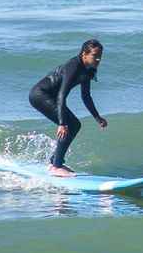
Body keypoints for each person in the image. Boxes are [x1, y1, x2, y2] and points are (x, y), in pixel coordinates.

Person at [29, 39, 108, 177]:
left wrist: (97, 117)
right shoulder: (73, 66)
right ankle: (56, 166)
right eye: (95, 55)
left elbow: (86, 96)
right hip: (41, 95)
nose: (98, 59)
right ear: (84, 54)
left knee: (75, 125)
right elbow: (62, 94)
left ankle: (55, 161)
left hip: (53, 97)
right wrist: (62, 123)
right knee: (71, 124)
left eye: (100, 56)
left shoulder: (88, 69)